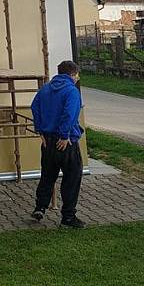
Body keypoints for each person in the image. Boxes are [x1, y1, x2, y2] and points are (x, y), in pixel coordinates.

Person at [30, 60, 85, 228]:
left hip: (47, 141)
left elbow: (34, 107)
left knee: (47, 176)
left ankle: (40, 207)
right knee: (72, 178)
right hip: (65, 142)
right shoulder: (71, 91)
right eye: (77, 75)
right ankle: (68, 217)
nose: (77, 78)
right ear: (72, 74)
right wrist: (64, 134)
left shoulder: (45, 89)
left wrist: (40, 130)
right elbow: (69, 114)